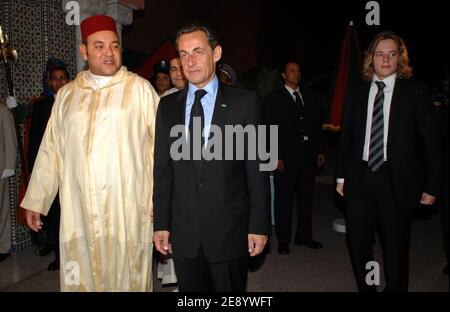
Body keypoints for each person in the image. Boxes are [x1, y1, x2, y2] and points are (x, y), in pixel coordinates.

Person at [20, 15, 159, 291]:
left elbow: (161, 149)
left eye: (114, 46)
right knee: (82, 275)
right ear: (84, 51)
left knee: (127, 277)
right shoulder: (68, 96)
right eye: (99, 46)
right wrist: (36, 199)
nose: (109, 53)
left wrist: (160, 200)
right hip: (79, 208)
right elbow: (52, 150)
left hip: (127, 207)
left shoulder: (140, 90)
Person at [153, 22, 270, 292]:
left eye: (198, 52)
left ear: (216, 54)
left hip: (230, 231)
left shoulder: (246, 102)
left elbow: (257, 168)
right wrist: (161, 223)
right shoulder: (168, 106)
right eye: (183, 55)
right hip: (184, 234)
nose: (190, 61)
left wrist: (259, 224)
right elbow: (162, 170)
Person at [336, 31, 443, 292]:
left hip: (397, 180)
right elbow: (346, 139)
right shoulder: (357, 92)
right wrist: (340, 177)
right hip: (361, 177)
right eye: (380, 54)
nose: (385, 59)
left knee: (396, 247)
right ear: (371, 59)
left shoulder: (416, 93)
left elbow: (432, 143)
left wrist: (433, 186)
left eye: (391, 54)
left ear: (400, 58)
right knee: (358, 242)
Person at [264, 61, 325, 255]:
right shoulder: (274, 99)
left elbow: (317, 125)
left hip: (307, 157)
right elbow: (268, 130)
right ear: (283, 75)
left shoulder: (309, 96)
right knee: (284, 201)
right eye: (291, 70)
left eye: (298, 70)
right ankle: (283, 240)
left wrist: (320, 150)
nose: (296, 73)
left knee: (306, 199)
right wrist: (275, 157)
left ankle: (304, 236)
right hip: (285, 159)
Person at [27, 66, 69, 271]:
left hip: (70, 172)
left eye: (62, 78)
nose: (59, 82)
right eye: (55, 79)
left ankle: (67, 255)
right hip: (50, 170)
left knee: (68, 217)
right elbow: (36, 141)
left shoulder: (74, 103)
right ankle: (57, 253)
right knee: (53, 216)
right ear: (49, 82)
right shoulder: (41, 107)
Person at [156, 56, 187, 288]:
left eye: (181, 68)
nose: (177, 73)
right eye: (173, 69)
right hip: (172, 183)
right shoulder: (163, 102)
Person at [0, 99, 17, 262]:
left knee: (2, 210)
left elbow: (11, 139)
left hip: (1, 169)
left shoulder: (3, 111)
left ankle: (3, 247)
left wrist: (9, 166)